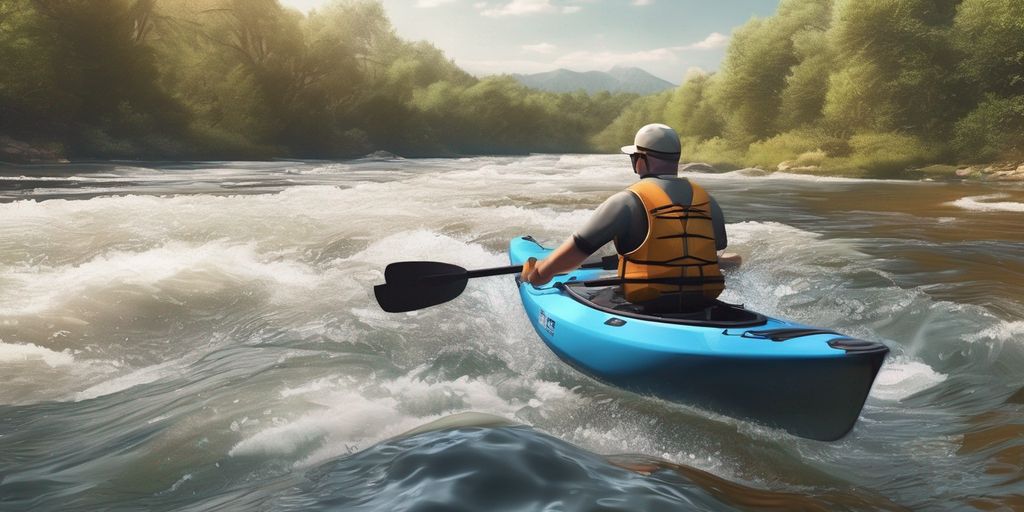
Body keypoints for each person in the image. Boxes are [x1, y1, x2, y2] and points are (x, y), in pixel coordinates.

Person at [520, 123, 740, 312]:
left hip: (647, 303)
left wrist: (539, 272)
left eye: (634, 157)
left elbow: (576, 252)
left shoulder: (627, 201)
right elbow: (707, 253)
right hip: (701, 302)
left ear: (641, 161)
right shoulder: (708, 201)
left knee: (586, 293)